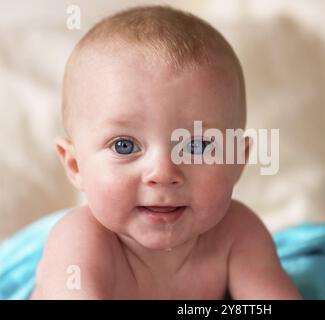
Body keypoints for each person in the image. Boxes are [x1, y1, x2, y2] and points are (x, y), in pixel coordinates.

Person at [31, 5, 302, 299]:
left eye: (196, 146)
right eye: (125, 145)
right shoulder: (79, 242)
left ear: (238, 158)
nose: (162, 173)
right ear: (75, 165)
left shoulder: (238, 234)